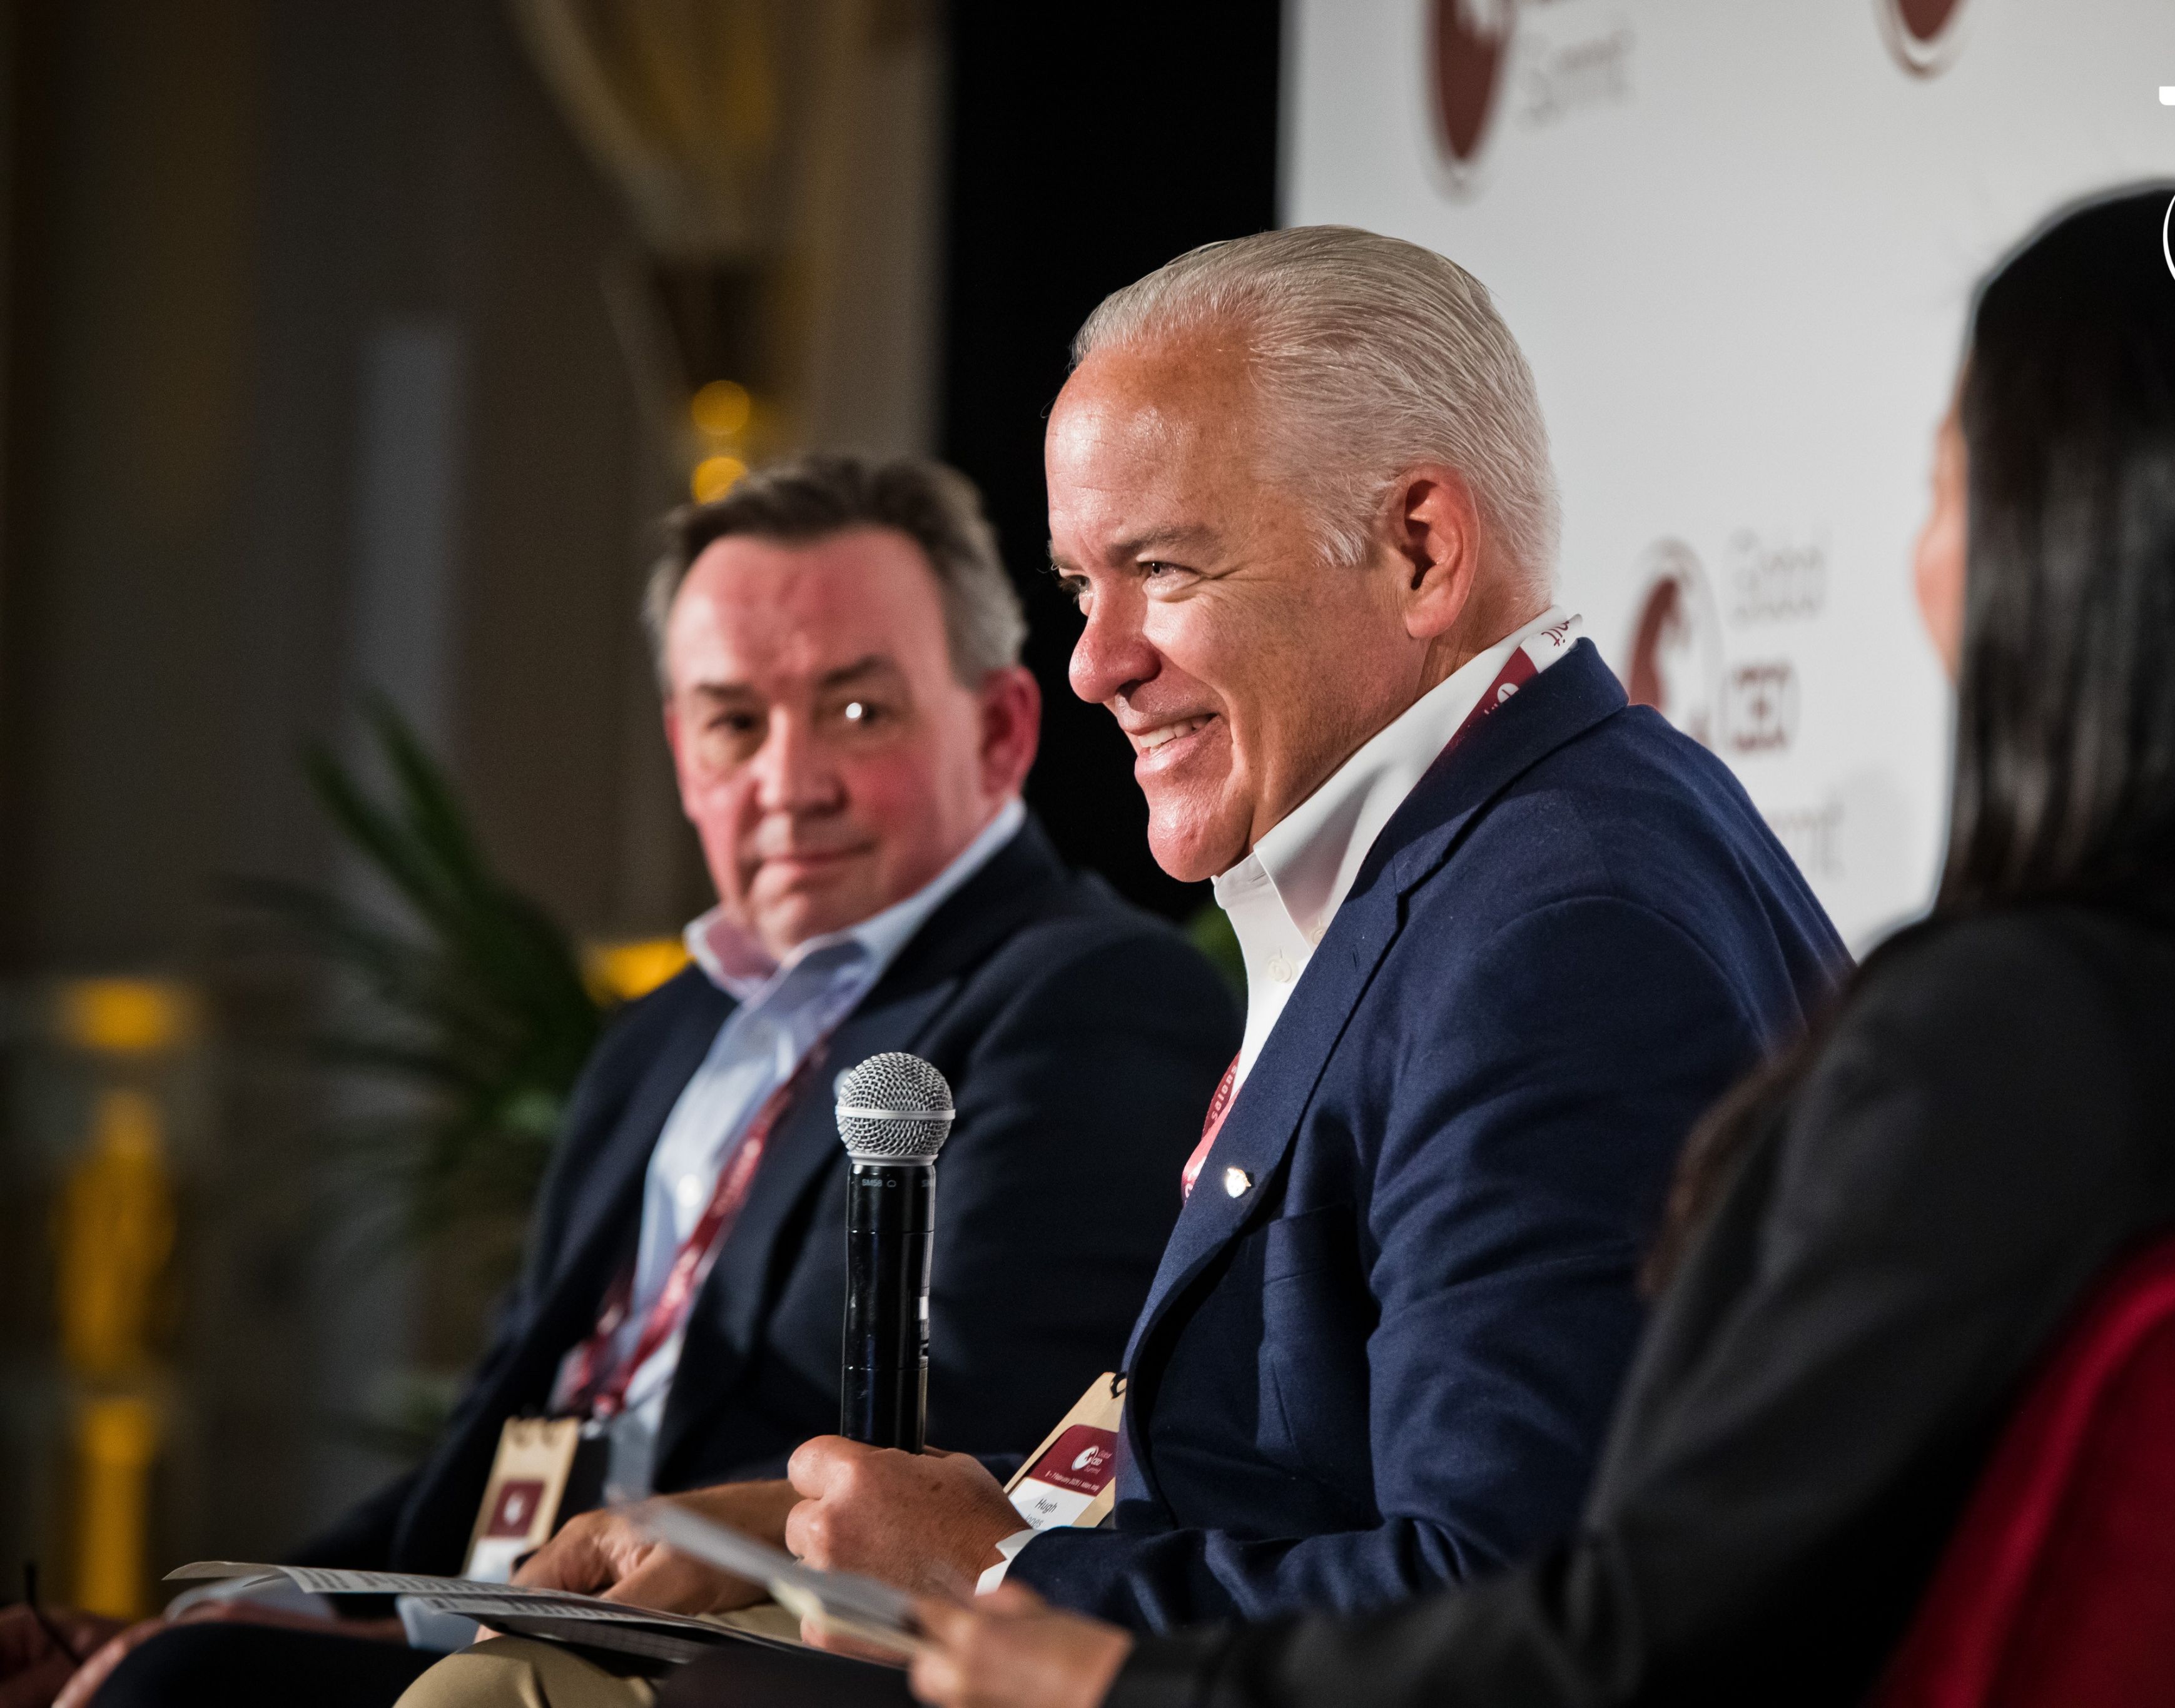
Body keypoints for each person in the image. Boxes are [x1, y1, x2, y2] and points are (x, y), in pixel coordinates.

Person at [872, 187, 2175, 1707]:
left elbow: (1622, 1634)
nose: (1098, 660)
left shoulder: (1952, 1024)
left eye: (1951, 477)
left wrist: (1077, 1645)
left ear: (2061, 565)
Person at [460, 225, 1842, 1700]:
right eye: (1076, 587)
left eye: (1161, 569)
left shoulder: (1556, 938)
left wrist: (998, 1574)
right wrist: (808, 1535)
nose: (1092, 660)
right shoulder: (1487, 852)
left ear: (1420, 550)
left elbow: (1501, 1605)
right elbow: (1277, 1480)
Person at [23, 453, 1240, 1708]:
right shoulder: (658, 1034)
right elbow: (500, 1435)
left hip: (745, 1648)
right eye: (733, 722)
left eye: (856, 711)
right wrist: (253, 1606)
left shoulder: (1092, 995)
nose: (786, 780)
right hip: (494, 1619)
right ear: (679, 748)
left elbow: (984, 1460)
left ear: (998, 731)